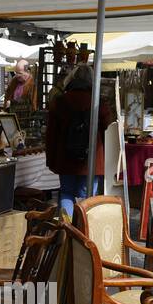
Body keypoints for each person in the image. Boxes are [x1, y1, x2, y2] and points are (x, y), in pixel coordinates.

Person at [45, 64, 112, 217]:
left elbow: (51, 134)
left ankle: (67, 231)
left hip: (65, 156)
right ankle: (83, 233)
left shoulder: (60, 101)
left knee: (67, 193)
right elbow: (108, 129)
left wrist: (51, 160)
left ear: (71, 79)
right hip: (92, 159)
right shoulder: (99, 102)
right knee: (87, 197)